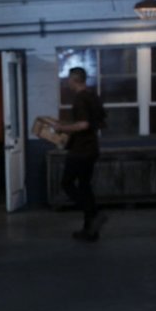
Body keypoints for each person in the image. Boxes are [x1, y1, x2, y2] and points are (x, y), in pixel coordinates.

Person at [55, 67, 108, 242]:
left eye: (68, 79)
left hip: (80, 150)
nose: (67, 82)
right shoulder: (93, 96)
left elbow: (83, 124)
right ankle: (90, 231)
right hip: (91, 148)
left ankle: (94, 214)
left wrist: (62, 128)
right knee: (85, 186)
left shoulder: (80, 99)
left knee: (67, 183)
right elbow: (98, 121)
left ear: (74, 80)